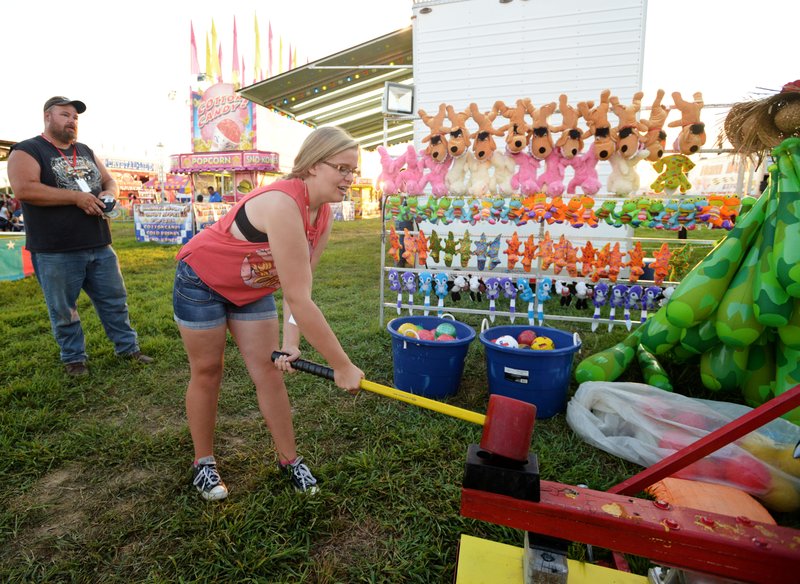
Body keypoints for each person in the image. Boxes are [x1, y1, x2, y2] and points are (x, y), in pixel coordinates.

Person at [173, 126, 365, 501]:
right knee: (208, 370)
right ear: (312, 165)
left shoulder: (323, 216)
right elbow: (299, 297)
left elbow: (301, 292)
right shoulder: (281, 203)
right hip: (201, 281)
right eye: (342, 168)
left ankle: (289, 460)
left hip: (252, 288)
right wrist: (341, 365)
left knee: (268, 371)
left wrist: (291, 343)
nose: (349, 179)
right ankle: (204, 463)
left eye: (352, 171)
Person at [6, 96, 154, 376]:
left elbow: (109, 180)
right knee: (64, 309)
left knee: (114, 300)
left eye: (75, 117)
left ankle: (128, 349)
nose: (72, 121)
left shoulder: (83, 149)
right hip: (55, 249)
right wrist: (76, 197)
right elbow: (24, 189)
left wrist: (110, 193)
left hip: (99, 243)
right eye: (65, 115)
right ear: (48, 117)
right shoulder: (27, 149)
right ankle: (74, 358)